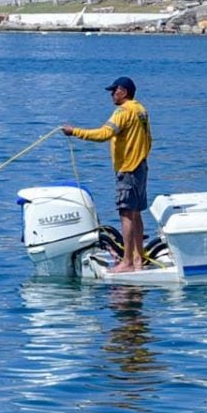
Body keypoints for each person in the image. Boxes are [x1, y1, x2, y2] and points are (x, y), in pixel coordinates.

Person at [63, 76, 153, 273]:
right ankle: (138, 259)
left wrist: (74, 131)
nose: (112, 94)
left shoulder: (123, 111)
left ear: (124, 92)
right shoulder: (141, 110)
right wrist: (141, 157)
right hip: (140, 167)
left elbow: (104, 134)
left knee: (126, 214)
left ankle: (127, 262)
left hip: (128, 169)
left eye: (115, 91)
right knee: (136, 213)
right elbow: (149, 139)